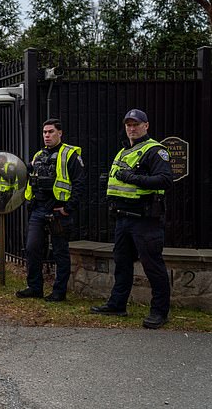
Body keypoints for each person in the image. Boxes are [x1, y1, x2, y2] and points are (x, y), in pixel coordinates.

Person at [91, 109, 173, 329]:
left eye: (136, 124)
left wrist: (134, 178)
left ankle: (159, 312)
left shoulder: (154, 150)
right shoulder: (124, 151)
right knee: (122, 264)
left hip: (145, 219)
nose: (131, 128)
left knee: (152, 266)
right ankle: (118, 304)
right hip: (123, 218)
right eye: (128, 124)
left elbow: (165, 180)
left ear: (146, 125)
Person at [17, 118, 85, 302]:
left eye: (51, 132)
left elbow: (79, 184)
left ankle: (59, 292)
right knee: (32, 248)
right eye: (45, 132)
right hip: (38, 209)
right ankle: (35, 287)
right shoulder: (38, 155)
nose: (47, 135)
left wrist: (68, 208)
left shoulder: (70, 154)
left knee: (60, 251)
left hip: (58, 210)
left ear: (60, 133)